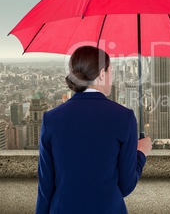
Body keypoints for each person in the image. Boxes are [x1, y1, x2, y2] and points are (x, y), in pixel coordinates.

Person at [36, 46, 152, 214]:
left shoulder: (51, 119)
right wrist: (140, 153)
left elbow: (45, 187)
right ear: (102, 74)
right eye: (111, 71)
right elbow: (126, 186)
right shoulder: (124, 117)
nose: (112, 78)